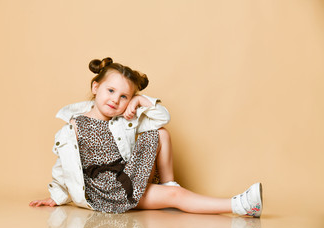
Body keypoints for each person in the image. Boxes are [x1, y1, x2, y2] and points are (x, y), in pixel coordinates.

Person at [30, 57, 263, 217]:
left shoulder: (122, 120)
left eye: (124, 96)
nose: (115, 100)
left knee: (159, 133)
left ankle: (169, 187)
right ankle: (240, 205)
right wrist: (56, 196)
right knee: (175, 195)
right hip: (109, 191)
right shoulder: (76, 124)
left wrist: (142, 101)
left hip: (128, 175)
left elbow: (162, 118)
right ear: (95, 87)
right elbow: (64, 164)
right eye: (110, 91)